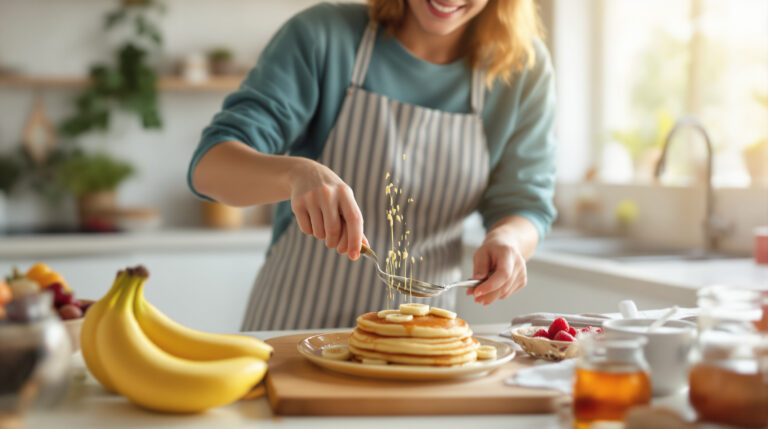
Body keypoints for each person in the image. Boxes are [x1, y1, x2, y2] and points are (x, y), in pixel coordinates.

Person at [188, 0, 557, 330]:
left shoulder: (523, 69)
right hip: (292, 330)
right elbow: (209, 166)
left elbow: (525, 204)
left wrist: (508, 239)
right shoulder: (323, 35)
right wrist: (295, 174)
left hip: (420, 343)